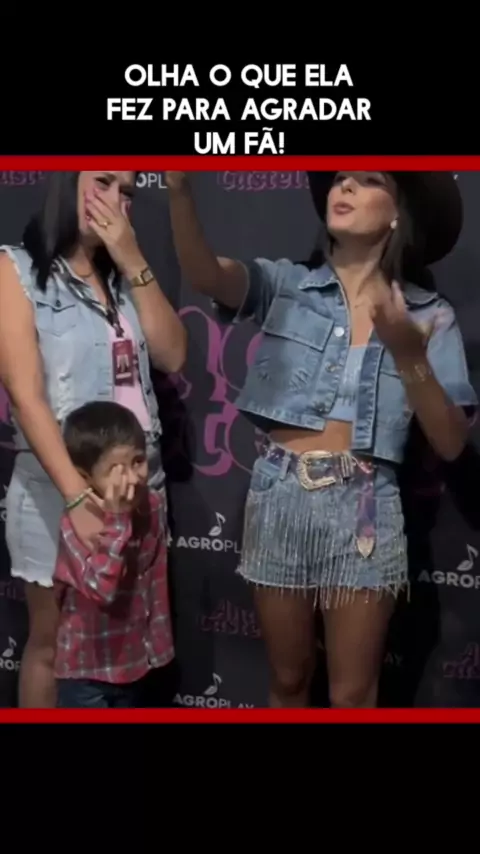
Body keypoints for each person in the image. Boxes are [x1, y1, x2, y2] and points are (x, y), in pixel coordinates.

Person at [166, 169, 477, 708]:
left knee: (352, 694)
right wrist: (178, 192)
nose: (344, 187)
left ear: (398, 213)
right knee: (288, 679)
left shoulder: (430, 314)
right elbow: (207, 275)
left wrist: (409, 355)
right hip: (279, 495)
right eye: (338, 179)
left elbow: (450, 442)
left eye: (367, 180)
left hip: (366, 507)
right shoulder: (286, 284)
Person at [0, 171, 186, 708]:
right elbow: (24, 394)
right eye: (102, 181)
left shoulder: (126, 280)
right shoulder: (16, 269)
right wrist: (77, 497)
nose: (115, 200)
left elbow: (174, 355)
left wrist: (133, 260)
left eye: (126, 192)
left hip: (138, 491)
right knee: (53, 644)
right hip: (58, 491)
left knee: (124, 650)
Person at [54, 401, 174, 708]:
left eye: (137, 461)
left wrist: (157, 647)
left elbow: (152, 581)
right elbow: (102, 590)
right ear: (86, 477)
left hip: (137, 664)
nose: (132, 479)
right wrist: (118, 521)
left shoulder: (153, 505)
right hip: (88, 672)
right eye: (115, 471)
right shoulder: (77, 524)